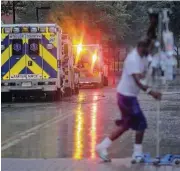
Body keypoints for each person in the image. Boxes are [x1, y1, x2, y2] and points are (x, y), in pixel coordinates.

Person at [95, 39, 162, 162]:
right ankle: (137, 154)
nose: (149, 52)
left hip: (127, 96)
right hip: (126, 97)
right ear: (141, 47)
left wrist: (153, 21)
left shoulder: (143, 56)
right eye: (148, 49)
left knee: (126, 125)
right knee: (141, 123)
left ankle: (102, 146)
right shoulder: (133, 59)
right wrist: (152, 93)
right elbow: (137, 81)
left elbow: (150, 37)